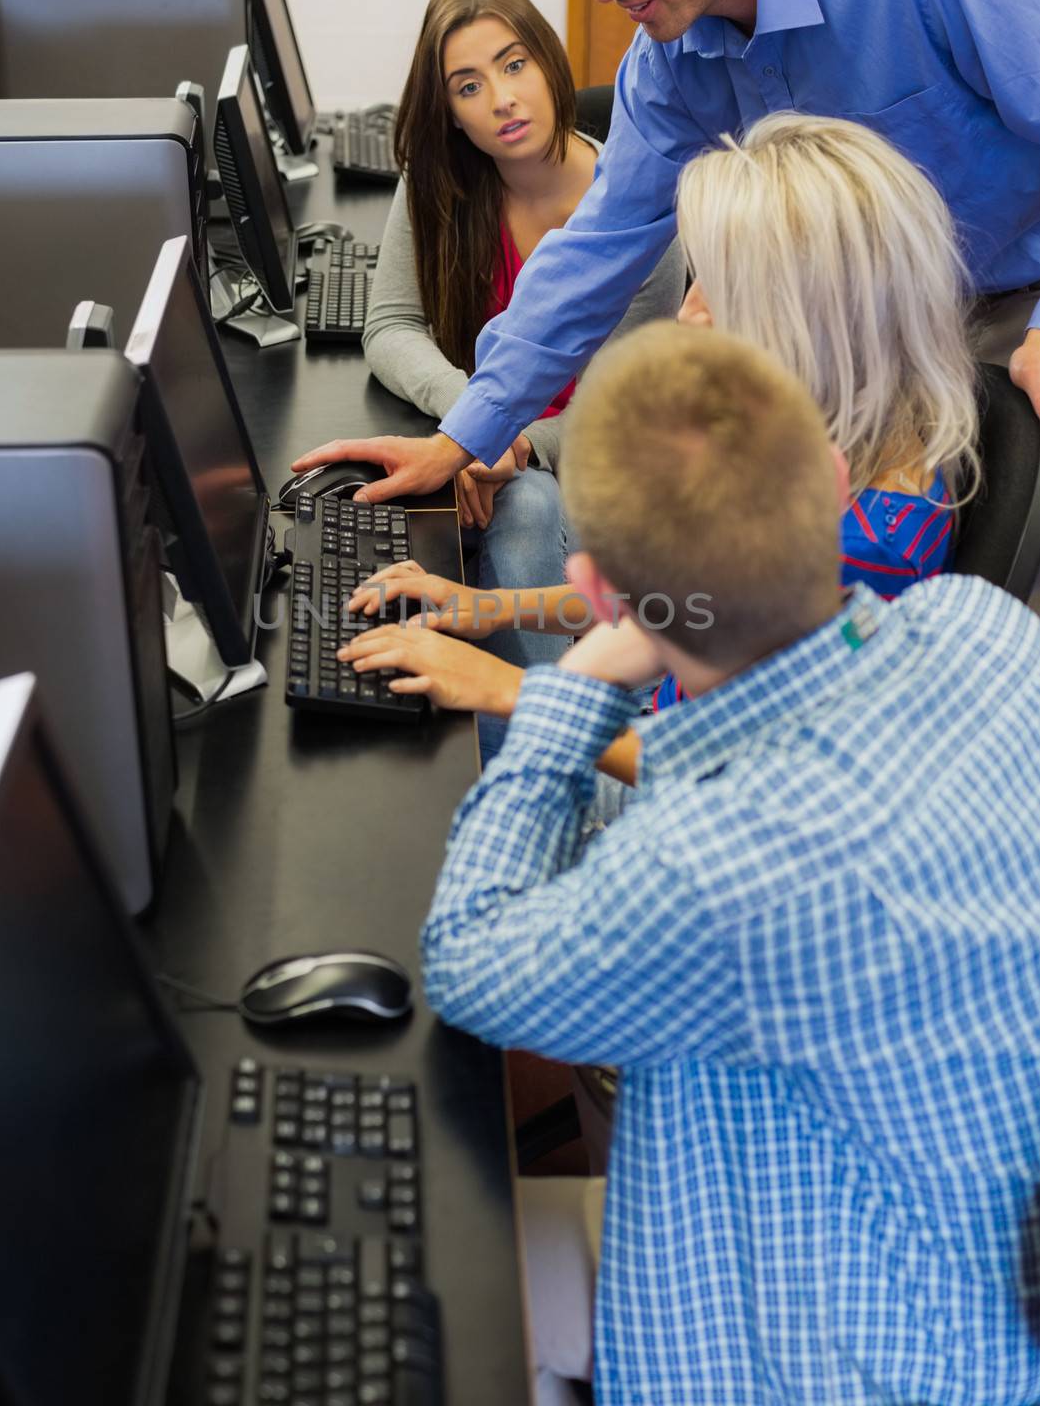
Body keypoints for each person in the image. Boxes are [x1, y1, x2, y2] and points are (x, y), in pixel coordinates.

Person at [421, 323, 1040, 1406]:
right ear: (836, 480)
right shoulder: (981, 626)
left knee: (442, 1294)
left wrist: (579, 680)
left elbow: (467, 958)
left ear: (603, 593)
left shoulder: (708, 862)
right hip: (982, 1313)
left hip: (829, 1366)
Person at [291, 0, 1040, 503]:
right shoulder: (671, 61)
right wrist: (462, 435)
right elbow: (594, 249)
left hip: (1015, 303)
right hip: (859, 346)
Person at [337, 112, 980, 785]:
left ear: (814, 320)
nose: (687, 312)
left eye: (722, 289)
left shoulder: (855, 554)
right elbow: (693, 601)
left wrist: (505, 689)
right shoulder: (835, 441)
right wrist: (488, 608)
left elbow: (714, 783)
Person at [362, 0, 681, 679]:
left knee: (529, 503)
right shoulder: (437, 186)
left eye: (514, 65)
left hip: (589, 477)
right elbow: (389, 326)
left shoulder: (634, 214)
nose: (502, 98)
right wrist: (472, 427)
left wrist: (510, 448)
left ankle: (534, 736)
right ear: (447, 111)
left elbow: (617, 418)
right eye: (468, 85)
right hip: (477, 463)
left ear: (548, 61)